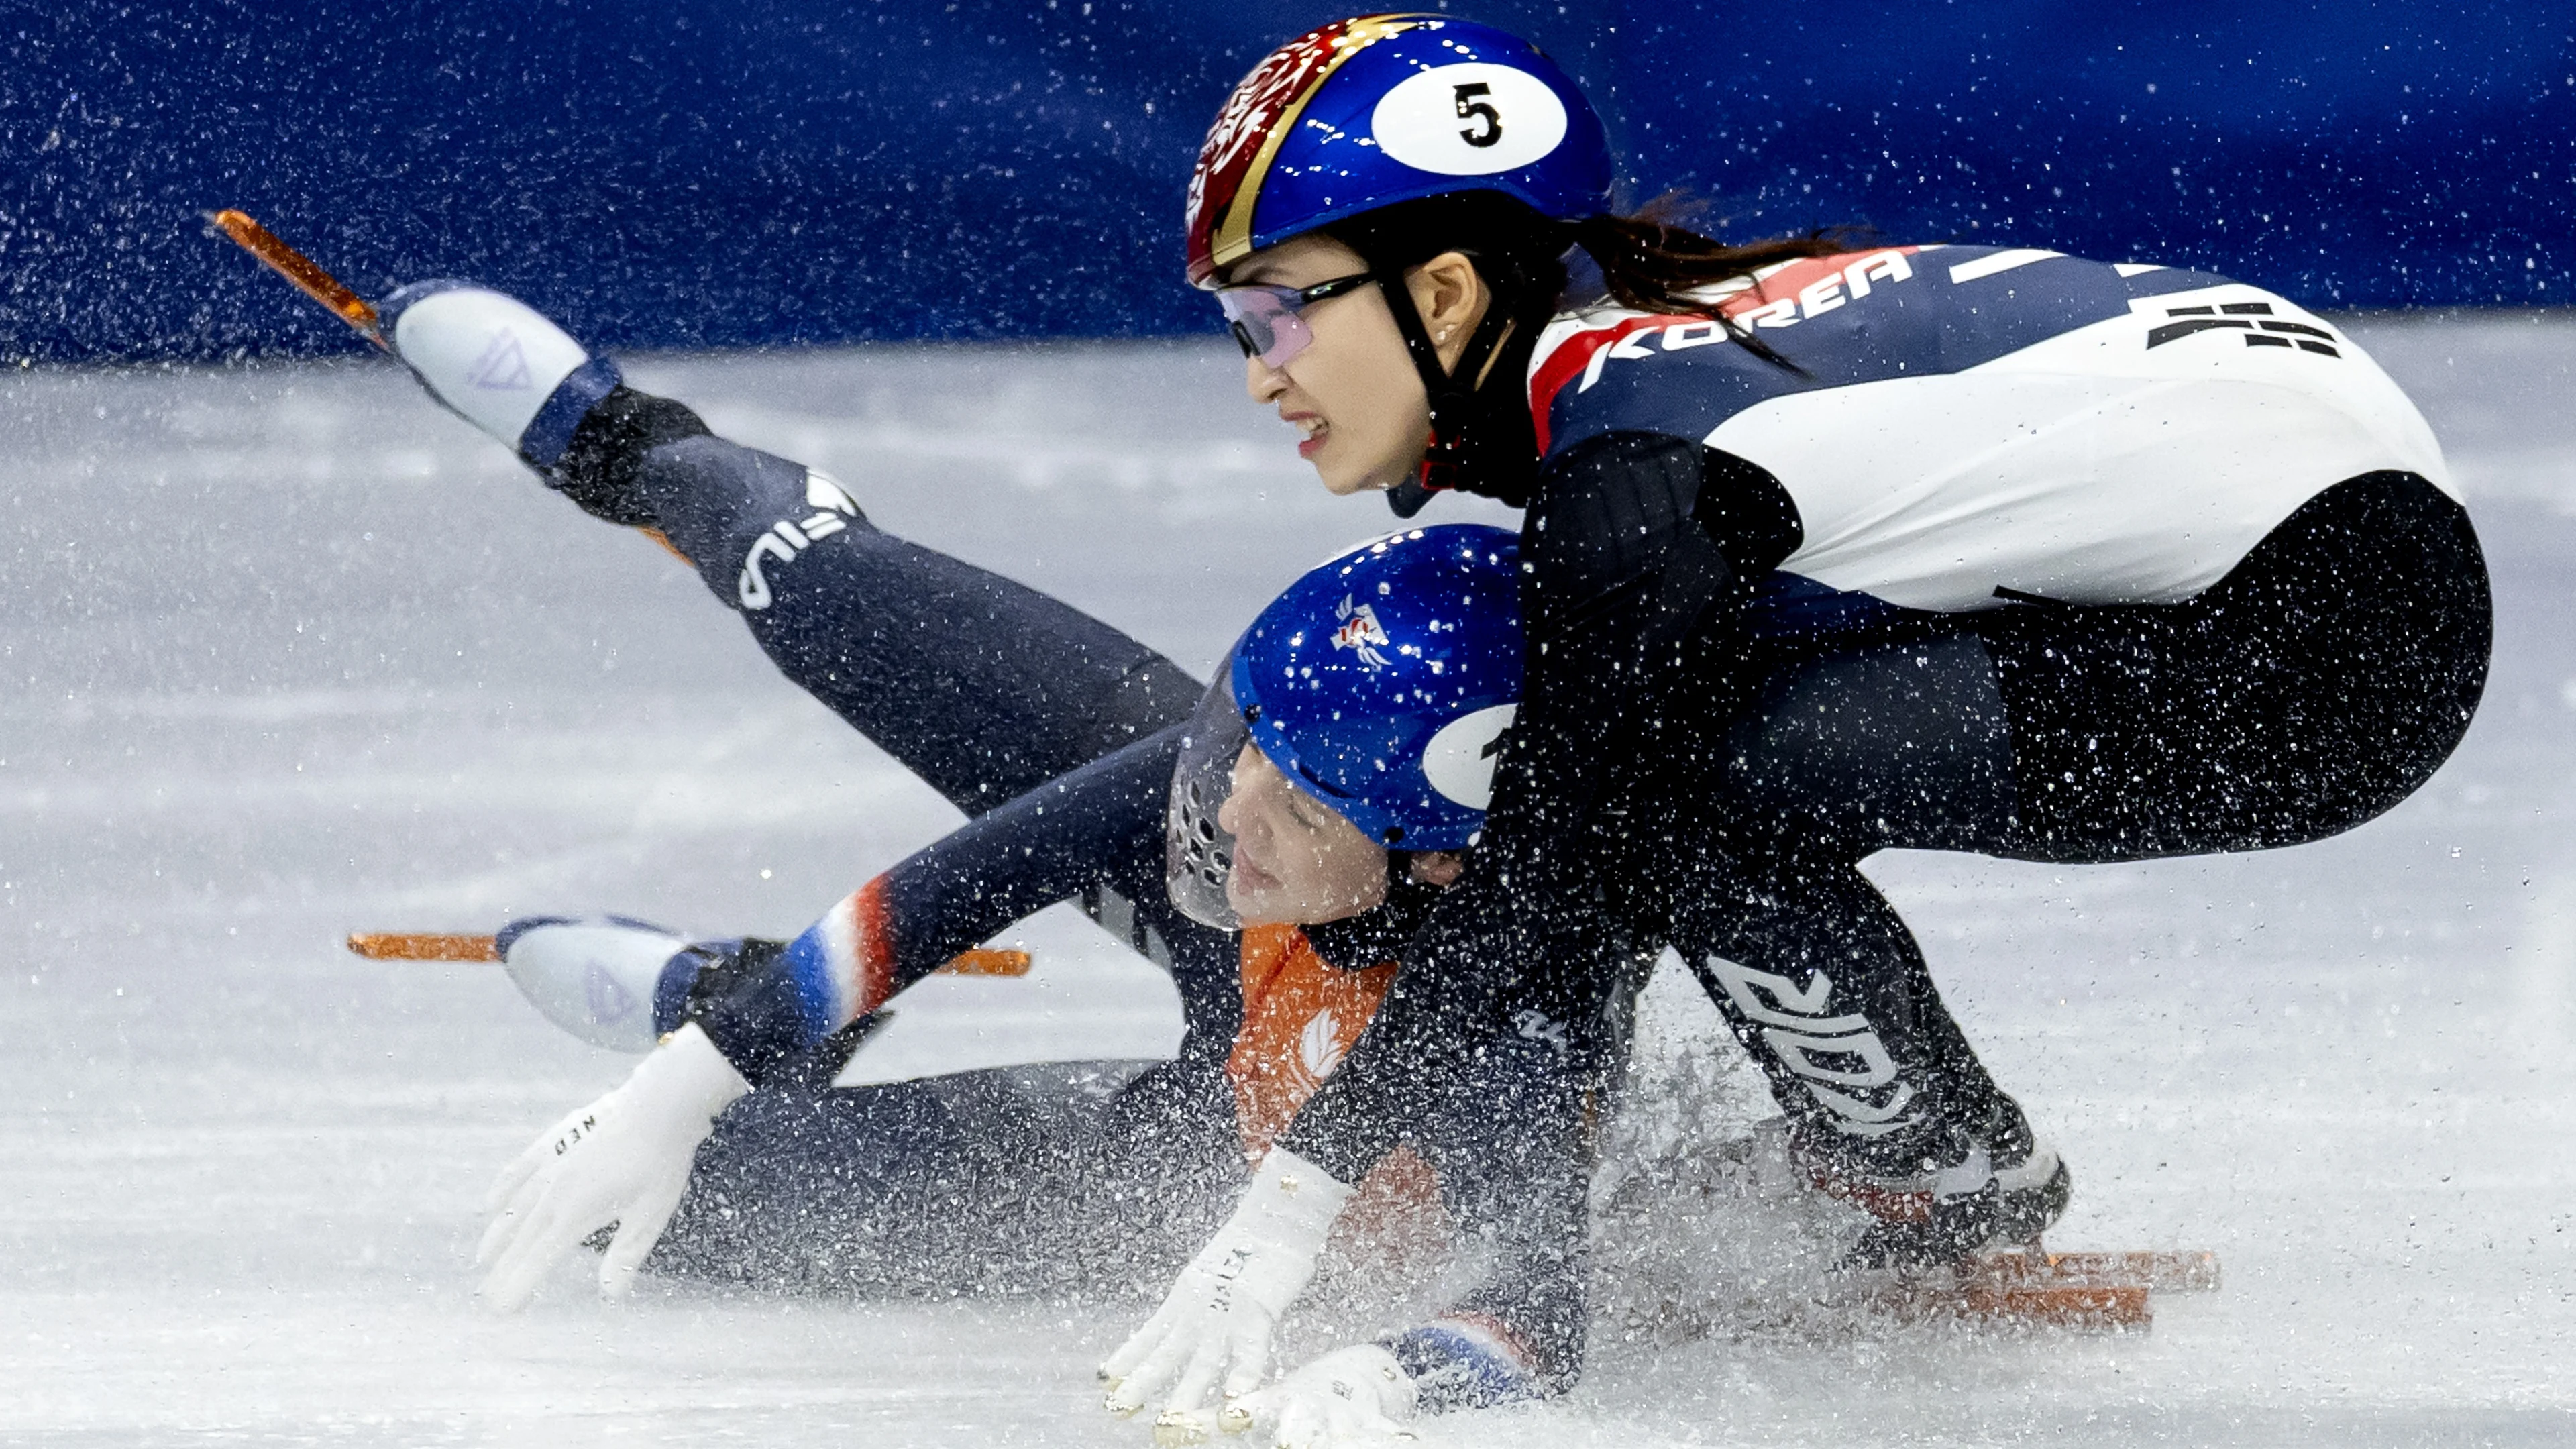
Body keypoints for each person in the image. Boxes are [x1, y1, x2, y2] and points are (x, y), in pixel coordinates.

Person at [1097, 11, 2493, 1424]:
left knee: (1664, 802)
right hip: (2323, 534)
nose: (1261, 369)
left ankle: (1935, 1186)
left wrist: (1287, 1212)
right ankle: (1907, 1154)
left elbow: (1550, 876)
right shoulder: (1648, 356)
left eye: (1276, 312)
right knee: (1630, 780)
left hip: (2327, 654)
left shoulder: (1630, 477)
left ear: (1445, 296)